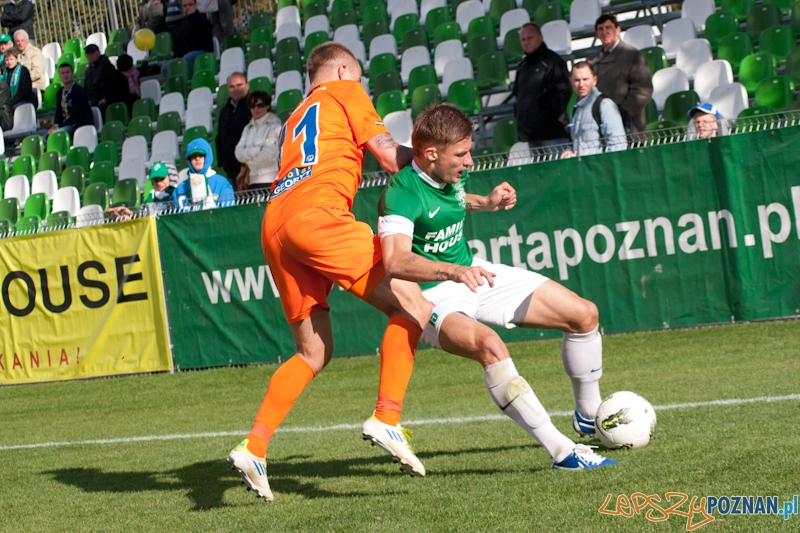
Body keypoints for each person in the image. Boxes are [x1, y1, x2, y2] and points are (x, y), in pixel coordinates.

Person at [226, 42, 432, 501]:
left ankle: (254, 445)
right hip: (318, 216)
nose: (359, 84)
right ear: (342, 70)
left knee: (313, 352)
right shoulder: (346, 90)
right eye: (356, 76)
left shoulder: (296, 113)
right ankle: (387, 416)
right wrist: (437, 168)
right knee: (415, 306)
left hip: (275, 223)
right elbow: (387, 154)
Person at [374, 103, 618, 472]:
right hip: (427, 294)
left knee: (584, 315)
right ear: (429, 154)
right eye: (462, 154)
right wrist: (451, 271)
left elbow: (452, 203)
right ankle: (563, 452)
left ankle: (587, 416)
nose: (470, 161)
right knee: (491, 346)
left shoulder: (449, 174)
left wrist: (485, 203)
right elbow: (395, 261)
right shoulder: (401, 191)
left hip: (471, 272)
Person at [587, 15, 652, 134]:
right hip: (600, 127)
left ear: (618, 30)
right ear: (596, 34)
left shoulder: (632, 55)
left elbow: (643, 90)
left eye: (608, 27)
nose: (604, 32)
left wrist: (619, 115)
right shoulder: (592, 60)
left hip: (629, 127)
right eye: (600, 29)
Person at [512, 23, 572, 148]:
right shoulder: (522, 67)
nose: (526, 42)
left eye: (530, 38)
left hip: (553, 134)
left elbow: (563, 92)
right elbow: (518, 98)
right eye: (523, 39)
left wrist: (543, 118)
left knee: (559, 168)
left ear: (541, 38)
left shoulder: (553, 61)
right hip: (532, 136)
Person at [562, 62, 626, 158]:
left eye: (585, 79)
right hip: (582, 169)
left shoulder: (605, 105)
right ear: (571, 81)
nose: (581, 84)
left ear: (594, 80)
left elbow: (618, 144)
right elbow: (579, 144)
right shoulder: (575, 108)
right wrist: (570, 150)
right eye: (577, 80)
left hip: (601, 170)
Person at [234, 90, 281, 191]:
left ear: (267, 105)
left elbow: (269, 155)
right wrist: (257, 150)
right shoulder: (248, 128)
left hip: (272, 180)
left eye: (260, 105)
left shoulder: (275, 126)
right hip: (253, 182)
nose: (256, 109)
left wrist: (248, 162)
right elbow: (238, 153)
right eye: (252, 106)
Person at [172, 138, 235, 209]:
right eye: (193, 156)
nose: (197, 159)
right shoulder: (180, 188)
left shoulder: (221, 183)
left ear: (207, 157)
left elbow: (229, 212)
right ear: (189, 160)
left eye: (201, 155)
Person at [216, 72, 250, 184]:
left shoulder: (255, 107)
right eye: (232, 86)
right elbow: (219, 138)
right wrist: (222, 160)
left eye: (239, 85)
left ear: (247, 86)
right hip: (231, 170)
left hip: (252, 170)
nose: (235, 89)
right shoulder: (224, 111)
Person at [48, 62, 92, 136]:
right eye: (62, 73)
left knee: (56, 134)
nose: (65, 75)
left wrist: (59, 127)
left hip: (78, 125)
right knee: (44, 138)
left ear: (72, 73)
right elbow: (58, 112)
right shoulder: (59, 92)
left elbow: (76, 116)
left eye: (67, 72)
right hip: (65, 125)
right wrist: (56, 125)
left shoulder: (79, 91)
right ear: (59, 75)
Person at [171, 0, 214, 74]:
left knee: (187, 58)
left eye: (190, 4)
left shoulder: (202, 20)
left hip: (201, 51)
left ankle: (193, 81)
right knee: (166, 68)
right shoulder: (182, 23)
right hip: (185, 54)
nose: (187, 7)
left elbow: (203, 42)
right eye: (185, 6)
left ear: (196, 5)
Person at [83, 44, 117, 114]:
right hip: (92, 102)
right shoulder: (88, 71)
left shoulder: (107, 66)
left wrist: (106, 99)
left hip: (106, 102)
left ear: (99, 53)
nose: (90, 55)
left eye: (92, 53)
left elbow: (114, 85)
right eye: (88, 53)